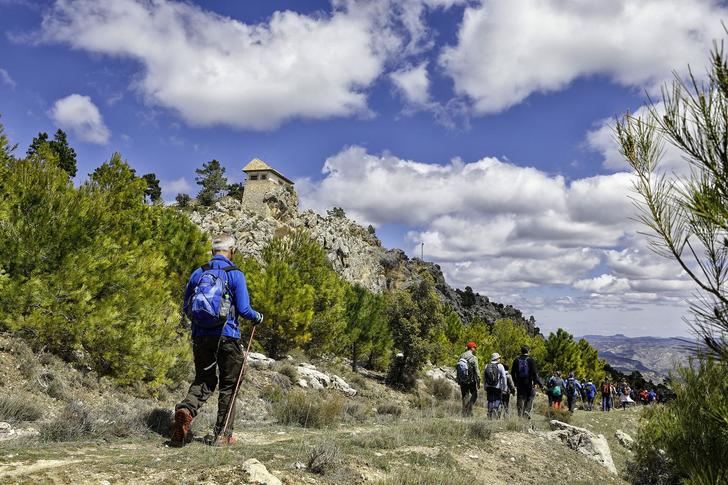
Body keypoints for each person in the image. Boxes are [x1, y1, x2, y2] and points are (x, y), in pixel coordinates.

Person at [170, 235, 264, 447]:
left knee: (204, 379)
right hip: (227, 335)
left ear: (213, 251)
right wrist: (258, 317)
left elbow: (186, 307)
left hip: (201, 336)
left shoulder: (198, 272)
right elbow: (244, 310)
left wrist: (201, 325)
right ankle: (222, 435)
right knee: (229, 385)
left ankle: (186, 410)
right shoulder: (235, 274)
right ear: (232, 251)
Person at [510, 345, 545, 418]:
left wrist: (515, 382)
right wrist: (536, 383)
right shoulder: (530, 360)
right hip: (528, 382)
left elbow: (512, 372)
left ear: (521, 351)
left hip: (519, 382)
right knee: (531, 396)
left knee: (520, 397)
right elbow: (535, 373)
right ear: (528, 351)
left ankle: (520, 414)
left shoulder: (516, 360)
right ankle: (527, 411)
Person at [457, 342, 480, 417]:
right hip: (471, 380)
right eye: (475, 348)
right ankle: (469, 408)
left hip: (463, 379)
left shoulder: (461, 356)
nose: (475, 349)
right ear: (472, 348)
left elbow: (458, 368)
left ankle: (464, 413)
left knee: (464, 396)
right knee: (475, 394)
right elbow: (477, 371)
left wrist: (459, 379)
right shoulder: (473, 358)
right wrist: (478, 381)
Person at [483, 352, 508, 419]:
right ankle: (495, 408)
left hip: (489, 386)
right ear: (497, 359)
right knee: (498, 399)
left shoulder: (486, 365)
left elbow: (484, 377)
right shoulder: (500, 366)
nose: (500, 359)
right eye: (499, 358)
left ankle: (489, 412)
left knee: (490, 400)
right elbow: (504, 377)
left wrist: (485, 385)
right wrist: (505, 387)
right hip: (497, 386)